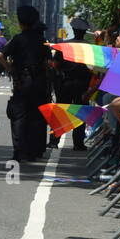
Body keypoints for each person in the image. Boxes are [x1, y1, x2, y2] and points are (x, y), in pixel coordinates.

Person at [0, 5, 53, 163]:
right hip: (39, 83)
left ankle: (18, 151)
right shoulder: (42, 41)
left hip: (21, 82)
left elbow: (0, 57)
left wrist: (11, 70)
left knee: (18, 116)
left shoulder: (17, 39)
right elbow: (48, 63)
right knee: (36, 117)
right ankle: (33, 151)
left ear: (21, 22)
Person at [52, 17, 93, 150]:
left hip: (65, 83)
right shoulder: (90, 47)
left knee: (60, 112)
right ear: (85, 32)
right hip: (82, 85)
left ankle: (54, 141)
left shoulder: (64, 45)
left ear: (73, 30)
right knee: (80, 113)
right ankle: (78, 143)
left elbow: (55, 64)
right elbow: (94, 68)